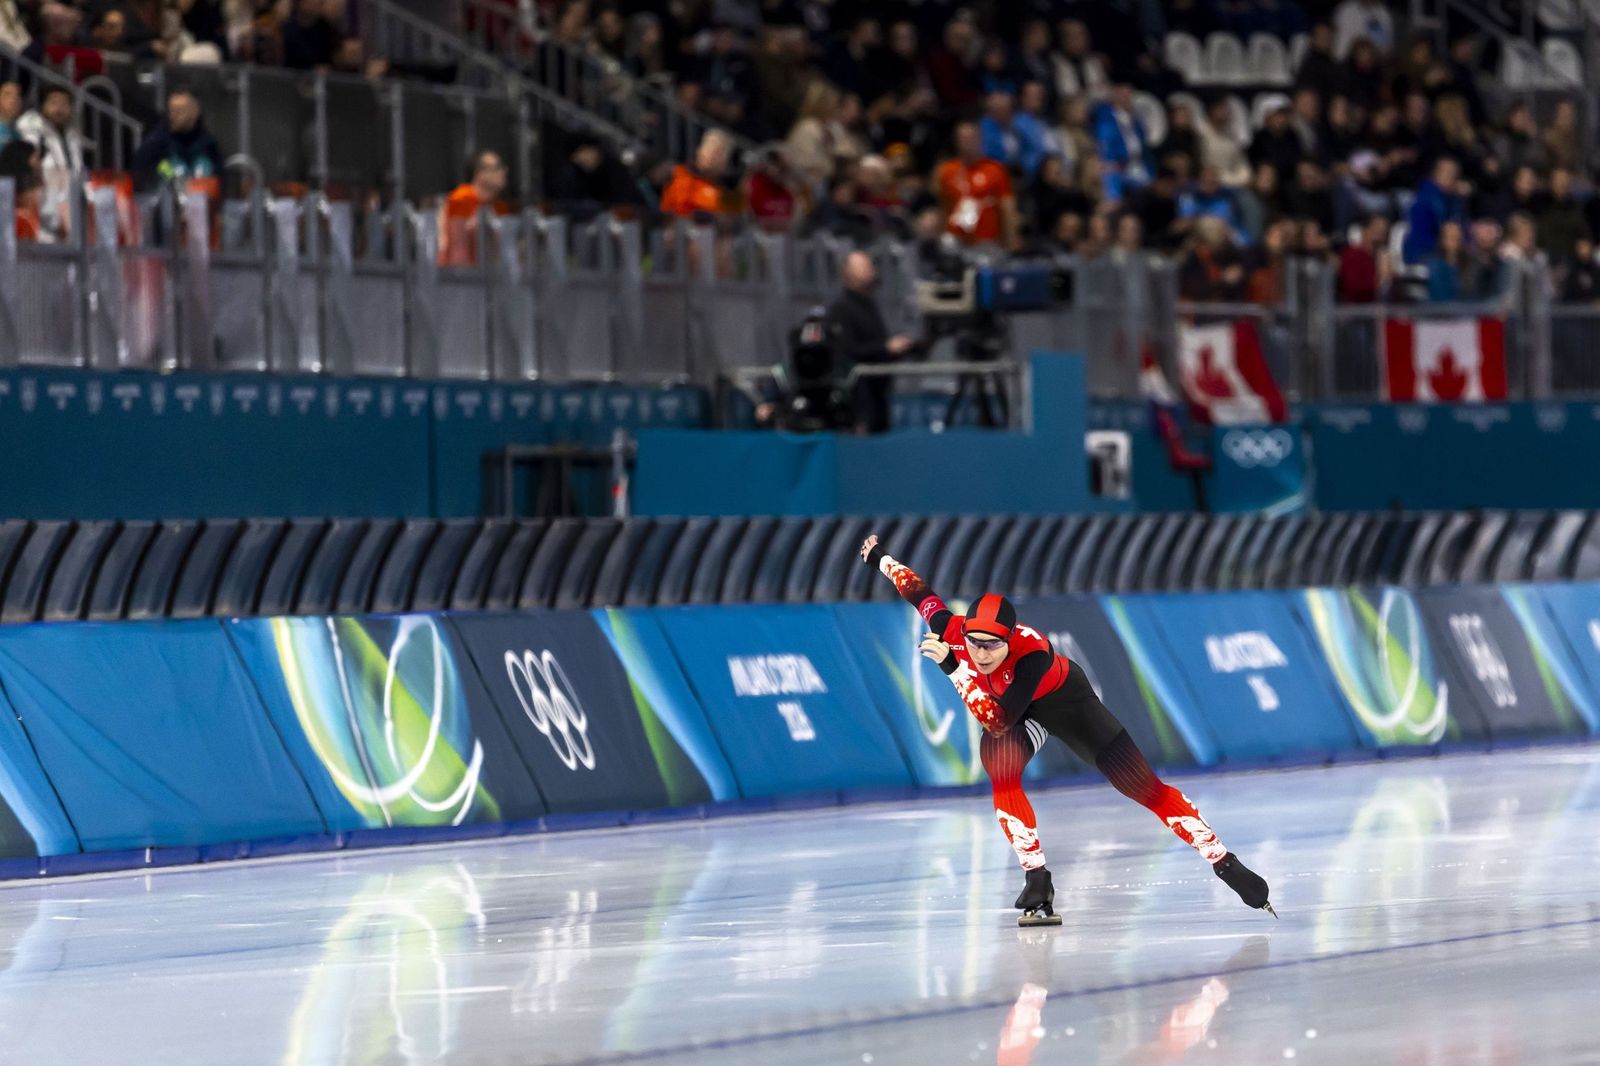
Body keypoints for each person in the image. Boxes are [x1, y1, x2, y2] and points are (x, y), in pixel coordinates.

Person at [857, 533, 1274, 925]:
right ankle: (1037, 878)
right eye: (973, 644)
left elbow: (998, 719)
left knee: (1143, 788)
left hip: (1068, 707)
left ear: (1008, 640)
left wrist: (953, 669)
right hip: (1021, 716)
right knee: (1000, 766)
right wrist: (879, 558)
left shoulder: (1032, 655)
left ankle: (1224, 861)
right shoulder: (952, 630)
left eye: (991, 646)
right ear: (962, 632)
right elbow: (918, 592)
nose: (981, 655)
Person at [826, 250, 915, 433]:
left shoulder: (870, 305)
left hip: (880, 392)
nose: (871, 271)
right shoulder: (842, 308)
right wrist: (885, 347)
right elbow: (845, 351)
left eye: (870, 266)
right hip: (858, 396)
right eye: (864, 267)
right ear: (847, 274)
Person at [934, 121, 1019, 251]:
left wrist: (1011, 240)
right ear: (956, 141)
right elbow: (943, 207)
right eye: (963, 139)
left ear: (979, 139)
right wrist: (940, 236)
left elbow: (1007, 206)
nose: (967, 143)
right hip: (956, 240)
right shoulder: (947, 171)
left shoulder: (995, 170)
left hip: (987, 241)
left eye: (971, 138)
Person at [131, 89, 223, 191]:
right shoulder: (157, 141)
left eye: (182, 111)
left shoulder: (208, 144)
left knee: (203, 163)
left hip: (200, 197)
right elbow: (142, 170)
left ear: (195, 112)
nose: (176, 116)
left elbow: (218, 176)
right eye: (173, 111)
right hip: (167, 197)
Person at [438, 149, 511, 266]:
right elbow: (458, 247)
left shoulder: (500, 206)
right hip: (463, 277)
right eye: (497, 167)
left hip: (489, 276)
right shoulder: (462, 198)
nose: (503, 172)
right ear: (479, 174)